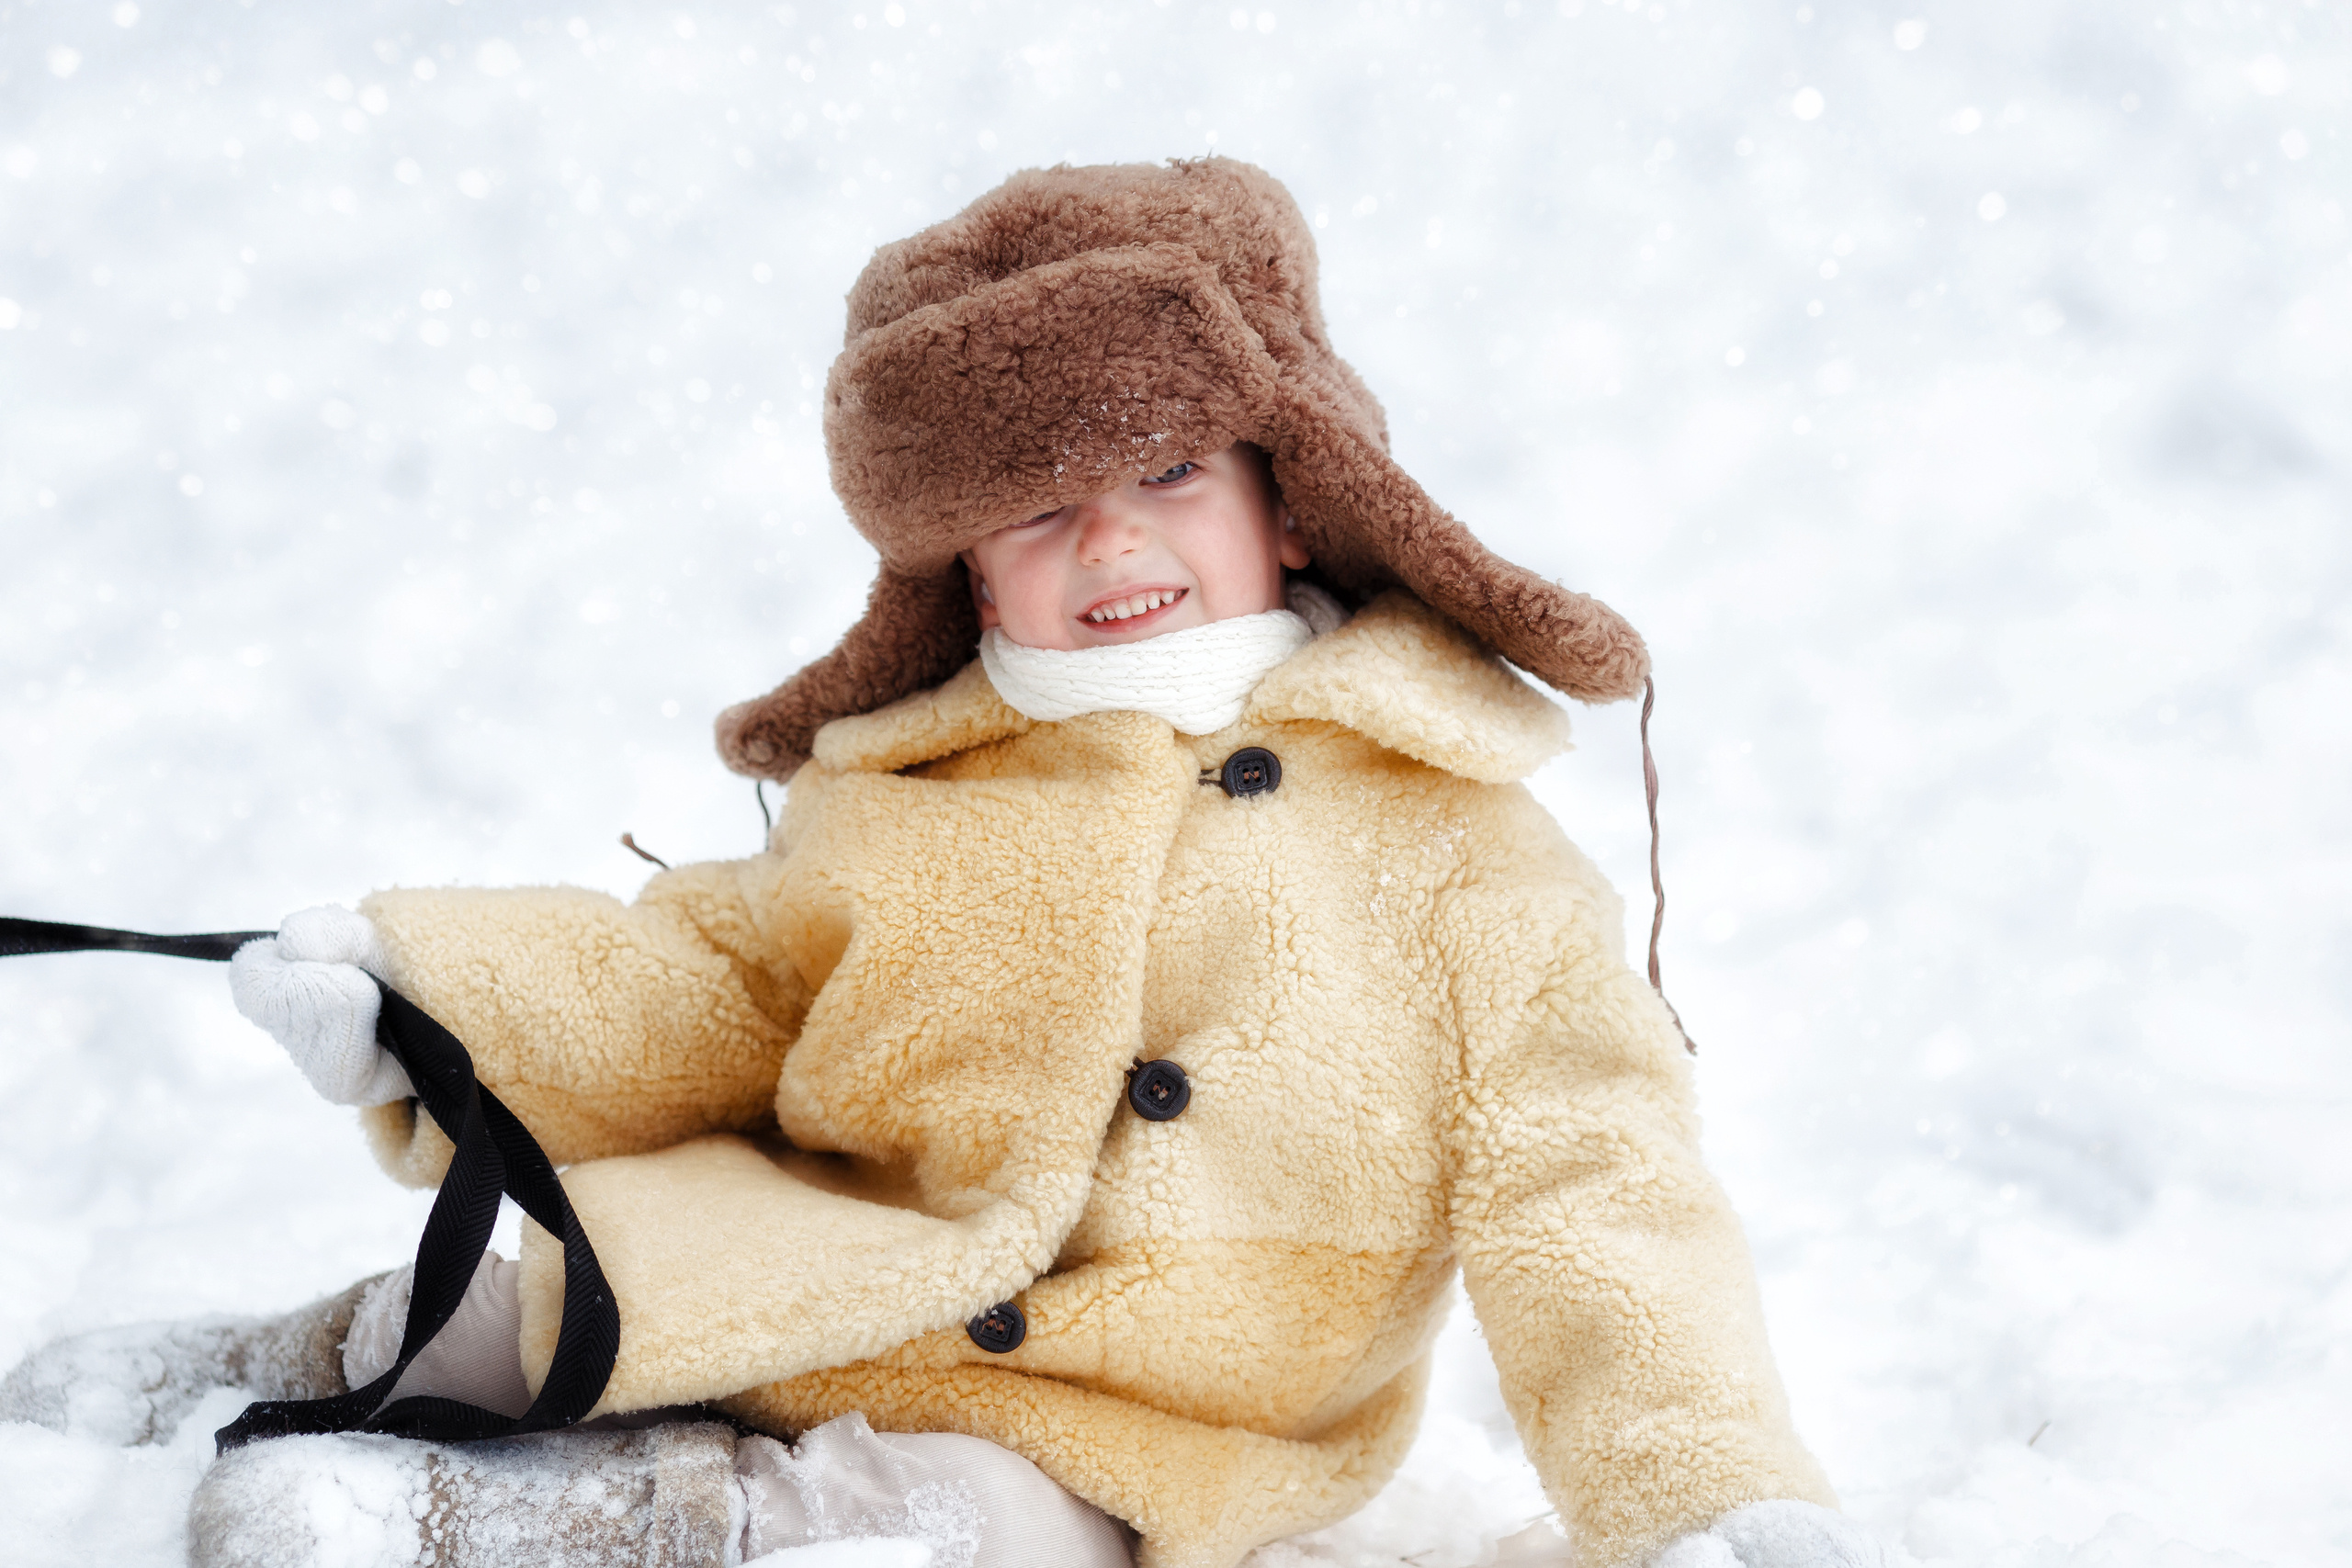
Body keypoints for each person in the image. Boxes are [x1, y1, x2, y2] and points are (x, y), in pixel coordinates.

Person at [1, 158, 1905, 1568]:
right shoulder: (916, 788)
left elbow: (1592, 1179)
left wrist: (1693, 1478)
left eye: (1165, 480)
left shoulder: (1459, 852)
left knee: (948, 1529)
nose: (1111, 548)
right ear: (962, 571)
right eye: (1037, 513)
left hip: (1146, 1417)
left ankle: (519, 1517)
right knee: (556, 1294)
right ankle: (336, 1348)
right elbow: (712, 981)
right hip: (830, 1262)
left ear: (1279, 485)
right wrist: (430, 994)